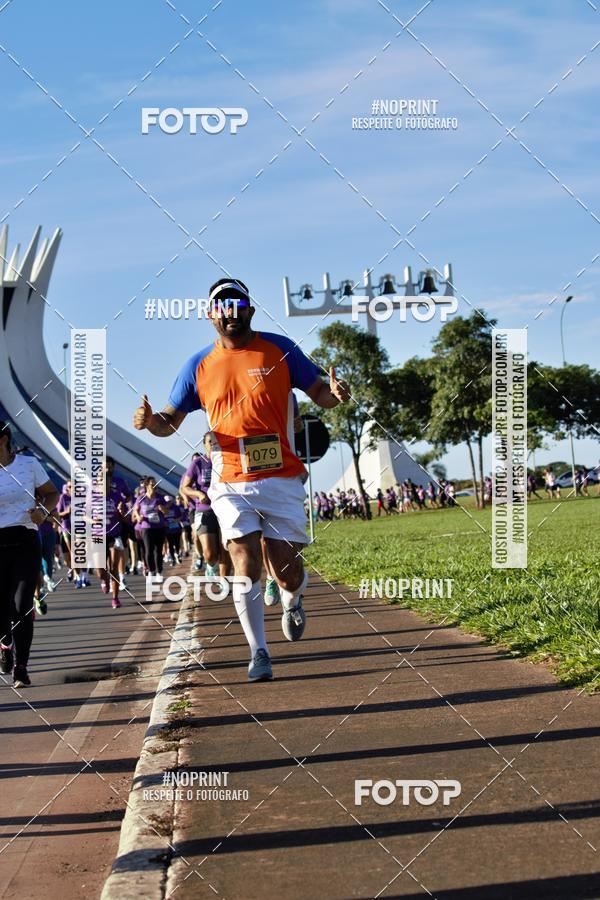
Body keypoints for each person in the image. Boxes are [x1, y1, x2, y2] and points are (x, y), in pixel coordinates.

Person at [133, 277, 350, 681]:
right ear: (210, 315)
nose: (230, 313)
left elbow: (320, 392)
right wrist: (150, 423)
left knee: (286, 569)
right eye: (221, 307)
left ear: (249, 309)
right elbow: (169, 421)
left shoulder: (280, 349)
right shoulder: (197, 365)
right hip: (230, 479)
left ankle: (293, 597)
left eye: (237, 305)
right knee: (244, 560)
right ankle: (258, 651)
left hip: (281, 476)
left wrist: (335, 396)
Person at [0, 421, 59, 687]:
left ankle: (21, 668)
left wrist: (43, 512)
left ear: (3, 439)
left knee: (22, 605)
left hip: (24, 539)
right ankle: (5, 643)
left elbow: (51, 493)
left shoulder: (29, 464)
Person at [132, 477, 167, 584]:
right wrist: (138, 517)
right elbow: (135, 510)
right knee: (148, 550)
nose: (154, 486)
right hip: (146, 527)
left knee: (158, 551)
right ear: (147, 486)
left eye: (155, 484)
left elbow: (166, 512)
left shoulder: (160, 497)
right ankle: (151, 572)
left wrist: (162, 509)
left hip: (159, 527)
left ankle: (159, 572)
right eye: (152, 484)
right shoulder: (141, 498)